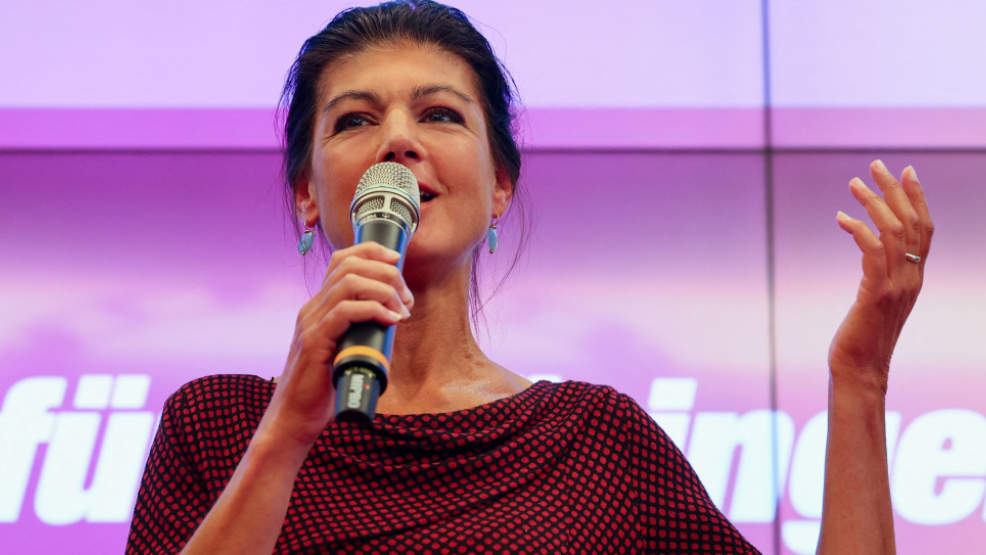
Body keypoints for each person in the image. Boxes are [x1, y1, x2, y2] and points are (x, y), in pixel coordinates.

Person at [125, 1, 934, 554]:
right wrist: (285, 436)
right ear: (308, 193)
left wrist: (858, 379)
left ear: (500, 184)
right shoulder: (215, 428)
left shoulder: (595, 444)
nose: (398, 141)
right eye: (356, 120)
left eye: (440, 114)